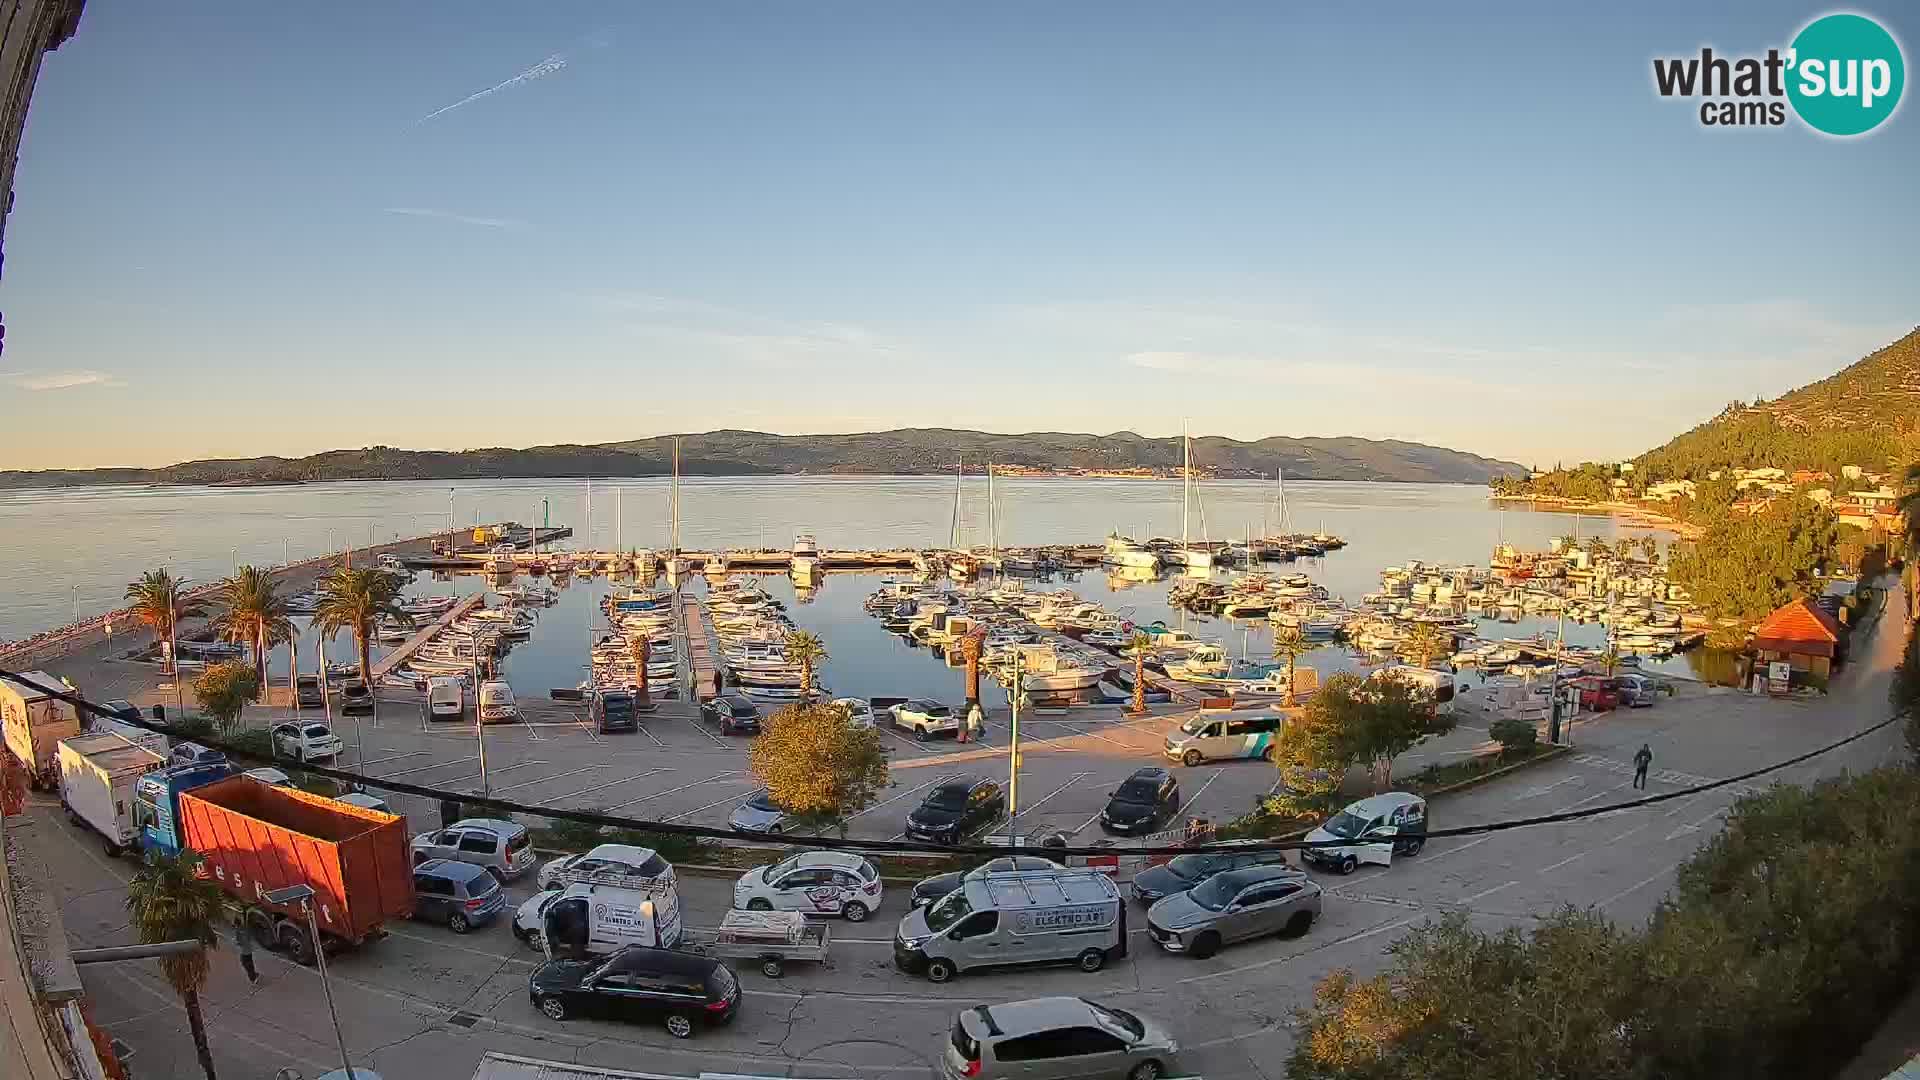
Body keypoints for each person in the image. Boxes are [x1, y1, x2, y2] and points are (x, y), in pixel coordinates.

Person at [233, 912, 258, 984]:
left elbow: (238, 942)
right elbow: (249, 937)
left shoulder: (237, 931)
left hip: (244, 951)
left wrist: (238, 943)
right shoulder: (245, 928)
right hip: (249, 949)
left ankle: (252, 978)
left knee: (245, 964)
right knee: (250, 962)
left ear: (236, 924)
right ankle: (254, 974)